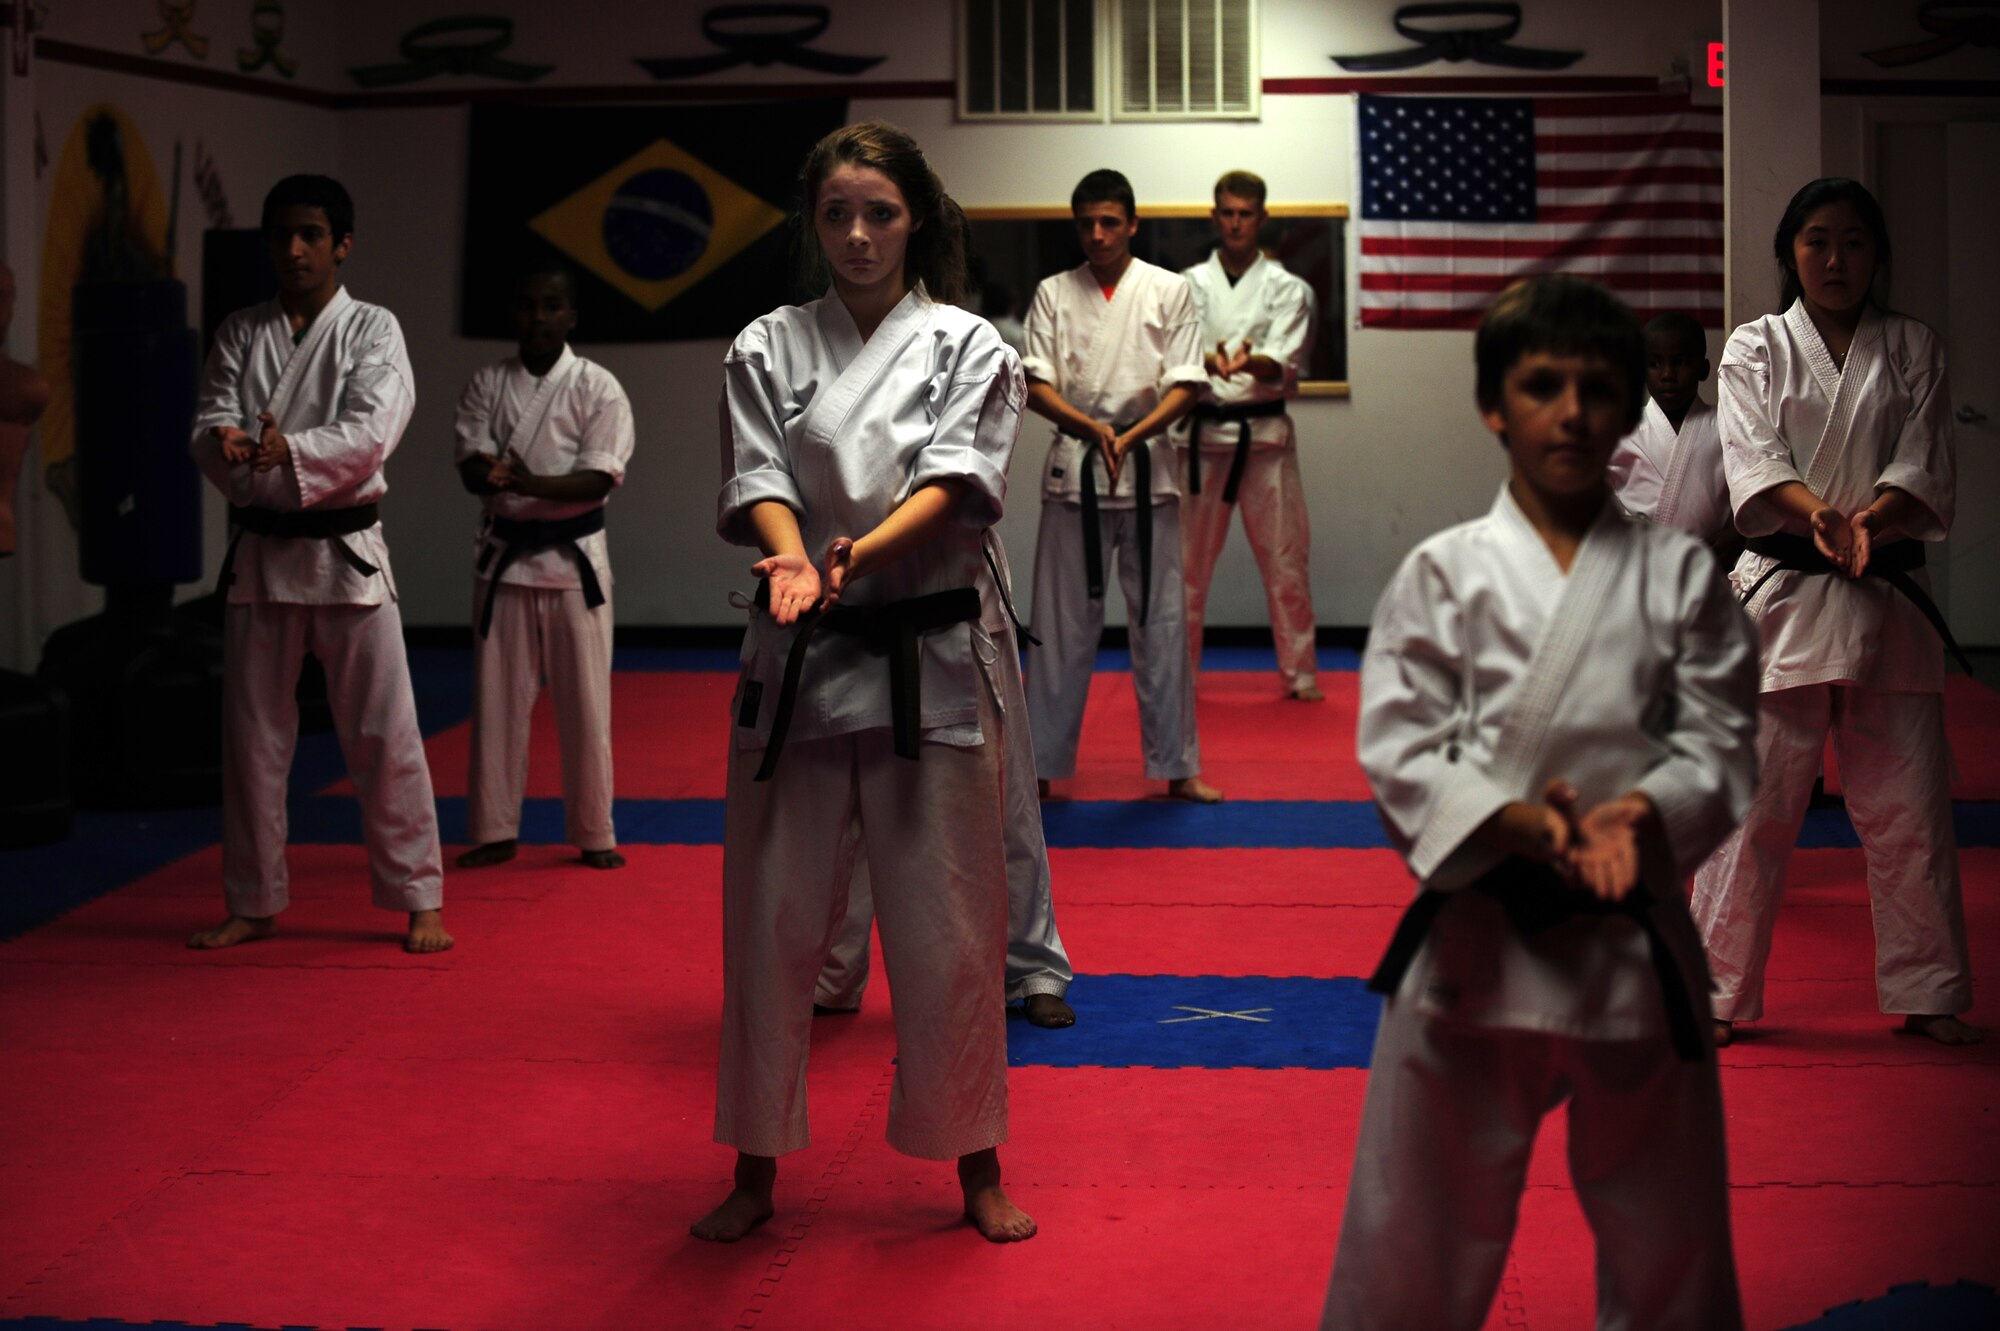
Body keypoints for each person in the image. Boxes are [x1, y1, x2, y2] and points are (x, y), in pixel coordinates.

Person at [1322, 276, 1758, 1330]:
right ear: (1492, 405)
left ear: (1625, 411)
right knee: (1406, 1246)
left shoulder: (1681, 577)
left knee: (1673, 1254)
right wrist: (1526, 825)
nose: (1570, 411)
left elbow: (1719, 739)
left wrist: (1638, 819)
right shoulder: (1442, 574)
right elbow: (1399, 748)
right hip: (1475, 947)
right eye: (1540, 385)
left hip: (1630, 945)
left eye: (1596, 388)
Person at [695, 120, 1035, 1245]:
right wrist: (792, 552)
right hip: (796, 645)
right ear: (812, 222)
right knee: (770, 921)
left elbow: (960, 478)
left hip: (925, 656)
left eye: (878, 213)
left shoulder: (971, 346)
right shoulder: (764, 344)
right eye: (836, 212)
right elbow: (755, 474)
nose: (855, 234)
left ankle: (974, 1161)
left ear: (917, 221)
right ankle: (754, 1166)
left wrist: (857, 554)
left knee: (948, 923)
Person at [1691, 178, 1979, 1047]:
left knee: (1909, 804)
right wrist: (1816, 514)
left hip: (1885, 587)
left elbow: (1924, 460)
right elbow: (1751, 458)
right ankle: (1714, 993)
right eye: (1817, 241)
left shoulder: (1914, 347)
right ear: (1790, 252)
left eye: (1854, 242)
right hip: (1784, 591)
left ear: (1876, 254)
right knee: (1752, 807)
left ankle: (1930, 991)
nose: (1835, 259)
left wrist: (1874, 520)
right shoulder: (1754, 346)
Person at [187, 175, 448, 953]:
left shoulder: (372, 330)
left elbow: (372, 432)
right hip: (262, 555)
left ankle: (418, 896)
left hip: (347, 557)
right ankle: (254, 899)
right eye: (280, 235)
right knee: (253, 738)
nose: (293, 249)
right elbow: (209, 420)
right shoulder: (241, 330)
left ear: (343, 243)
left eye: (309, 234)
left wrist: (285, 450)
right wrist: (227, 444)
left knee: (382, 732)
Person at [813, 530, 1077, 1029]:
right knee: (845, 794)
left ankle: (1031, 969)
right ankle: (834, 971)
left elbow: (968, 481)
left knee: (1001, 798)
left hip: (955, 589)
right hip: (847, 590)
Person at [1023, 169, 1220, 803]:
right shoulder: (1053, 292)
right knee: (1058, 625)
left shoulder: (1170, 290)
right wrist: (1092, 427)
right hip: (1075, 470)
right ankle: (1042, 767)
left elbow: (1187, 383)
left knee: (1163, 622)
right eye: (1086, 223)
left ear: (1133, 223)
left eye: (1110, 222)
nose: (1098, 234)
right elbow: (1034, 383)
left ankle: (1178, 766)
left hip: (1148, 470)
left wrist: (1130, 437)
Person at [453, 264, 634, 873]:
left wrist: (528, 482)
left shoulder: (598, 387)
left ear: (570, 317)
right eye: (527, 305)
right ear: (515, 313)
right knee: (497, 701)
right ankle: (496, 828)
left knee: (586, 704)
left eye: (551, 306)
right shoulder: (486, 382)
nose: (538, 317)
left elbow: (599, 477)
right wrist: (492, 475)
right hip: (504, 562)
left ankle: (593, 829)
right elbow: (469, 462)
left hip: (573, 562)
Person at [1178, 171, 1321, 701]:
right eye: (1228, 212)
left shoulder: (1289, 288)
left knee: (1286, 557)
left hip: (1264, 439)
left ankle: (1301, 673)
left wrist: (1234, 359)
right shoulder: (1188, 284)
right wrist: (1218, 358)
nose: (1236, 222)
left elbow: (1277, 363)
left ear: (1261, 218)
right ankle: (1182, 675)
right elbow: (1181, 355)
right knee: (1187, 568)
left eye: (1246, 213)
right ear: (1215, 217)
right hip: (1199, 438)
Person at [1608, 312, 1734, 551]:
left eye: (1680, 362)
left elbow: (1750, 499)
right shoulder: (1624, 429)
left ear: (1703, 369)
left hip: (1711, 559)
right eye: (1654, 364)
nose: (1667, 375)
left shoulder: (1726, 425)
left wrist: (1728, 543)